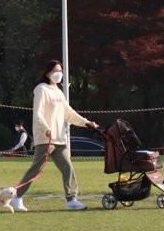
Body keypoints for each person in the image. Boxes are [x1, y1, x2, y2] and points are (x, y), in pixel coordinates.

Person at [12, 61, 99, 212]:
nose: (58, 73)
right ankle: (16, 197)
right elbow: (38, 113)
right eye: (55, 70)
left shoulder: (59, 92)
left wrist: (87, 123)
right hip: (46, 138)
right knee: (36, 169)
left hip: (60, 139)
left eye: (60, 70)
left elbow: (69, 113)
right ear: (47, 73)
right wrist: (46, 128)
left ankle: (71, 200)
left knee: (68, 168)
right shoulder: (41, 89)